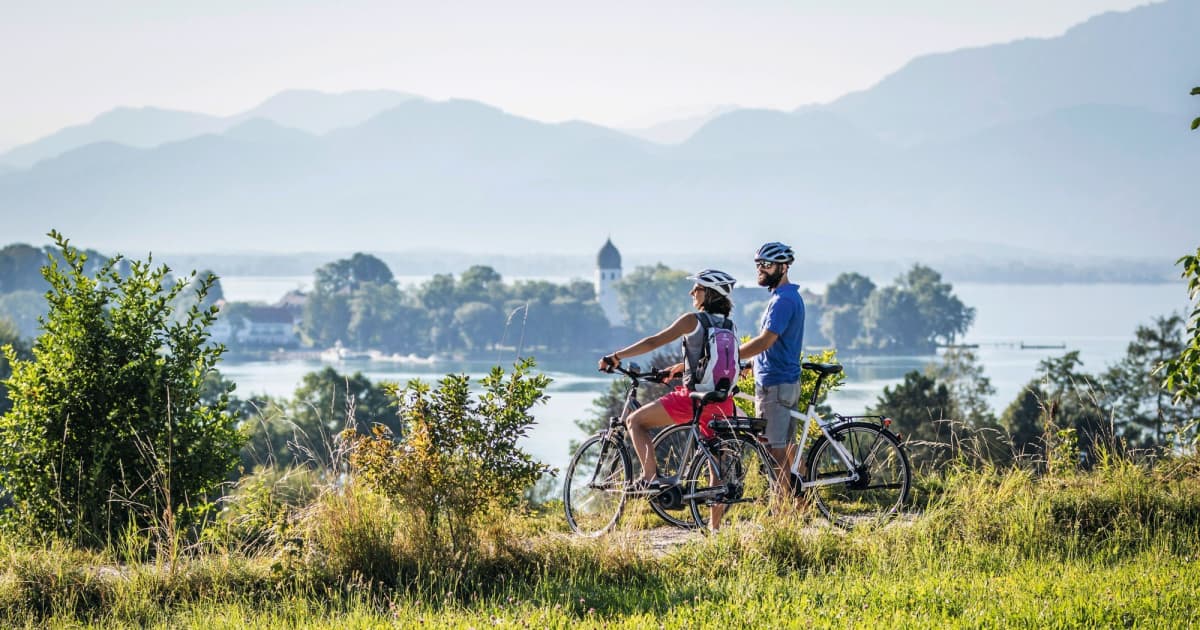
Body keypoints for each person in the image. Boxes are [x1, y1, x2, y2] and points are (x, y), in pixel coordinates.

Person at [598, 269, 738, 497]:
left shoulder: (692, 321)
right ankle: (714, 529)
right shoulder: (729, 326)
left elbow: (653, 342)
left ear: (710, 293)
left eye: (698, 288)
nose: (692, 291)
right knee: (717, 472)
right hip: (722, 401)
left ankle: (650, 479)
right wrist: (678, 368)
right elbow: (715, 359)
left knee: (635, 421)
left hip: (692, 399)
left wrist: (616, 357)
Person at [738, 242, 805, 491]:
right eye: (758, 265)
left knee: (773, 451)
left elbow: (766, 340)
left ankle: (780, 514)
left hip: (775, 384)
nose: (761, 269)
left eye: (767, 265)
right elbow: (774, 345)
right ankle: (800, 506)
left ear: (784, 267)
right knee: (788, 448)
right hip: (783, 380)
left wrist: (730, 356)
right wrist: (751, 362)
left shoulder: (782, 301)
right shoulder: (785, 297)